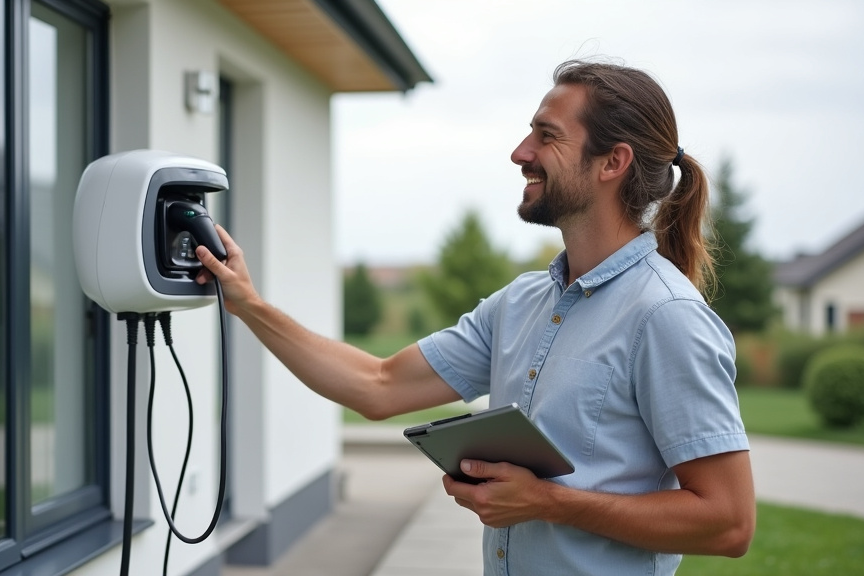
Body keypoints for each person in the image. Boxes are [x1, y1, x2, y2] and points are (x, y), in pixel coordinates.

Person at [194, 59, 755, 576]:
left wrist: (546, 502)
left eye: (547, 135)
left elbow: (728, 521)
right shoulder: (520, 304)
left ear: (614, 161)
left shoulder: (667, 316)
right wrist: (247, 303)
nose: (520, 152)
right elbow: (378, 385)